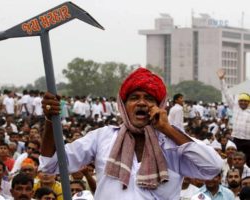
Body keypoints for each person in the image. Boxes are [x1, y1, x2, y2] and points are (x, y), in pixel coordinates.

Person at [40, 68, 223, 199]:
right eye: (134, 98)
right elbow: (51, 164)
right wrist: (49, 120)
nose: (141, 103)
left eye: (149, 98)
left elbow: (213, 167)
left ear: (159, 106)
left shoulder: (172, 143)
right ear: (123, 106)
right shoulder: (102, 137)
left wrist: (168, 130)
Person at [217, 69, 250, 167]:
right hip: (236, 140)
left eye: (245, 101)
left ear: (249, 102)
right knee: (235, 162)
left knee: (248, 163)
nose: (243, 102)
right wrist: (222, 79)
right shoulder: (235, 107)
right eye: (241, 101)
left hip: (249, 141)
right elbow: (226, 94)